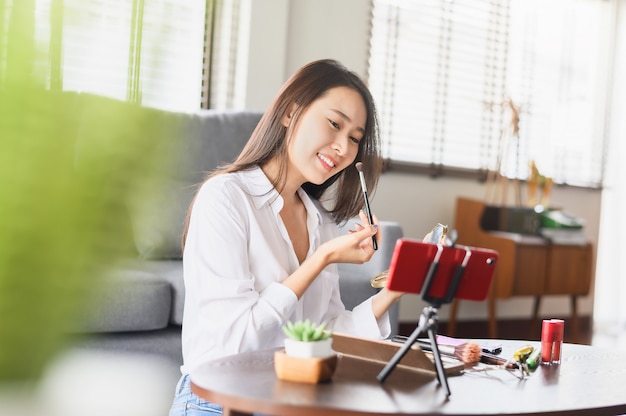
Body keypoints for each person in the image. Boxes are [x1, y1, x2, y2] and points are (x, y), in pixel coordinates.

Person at [168, 59, 404, 416]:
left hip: (286, 402)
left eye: (354, 138)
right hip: (218, 401)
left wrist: (396, 288)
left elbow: (324, 334)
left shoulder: (319, 221)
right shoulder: (225, 199)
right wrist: (320, 258)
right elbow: (234, 346)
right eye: (334, 124)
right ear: (290, 113)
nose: (342, 146)